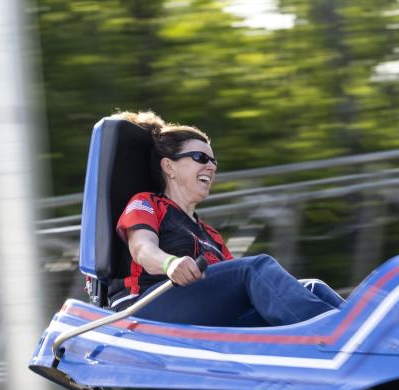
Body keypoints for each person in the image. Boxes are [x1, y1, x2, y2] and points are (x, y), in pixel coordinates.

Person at [107, 110, 344, 327]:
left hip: (198, 308)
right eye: (200, 157)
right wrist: (171, 264)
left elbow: (231, 283)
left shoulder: (210, 234)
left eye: (214, 161)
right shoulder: (147, 202)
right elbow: (142, 249)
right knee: (256, 267)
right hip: (142, 310)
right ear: (169, 166)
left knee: (314, 288)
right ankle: (333, 334)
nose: (211, 167)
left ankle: (362, 338)